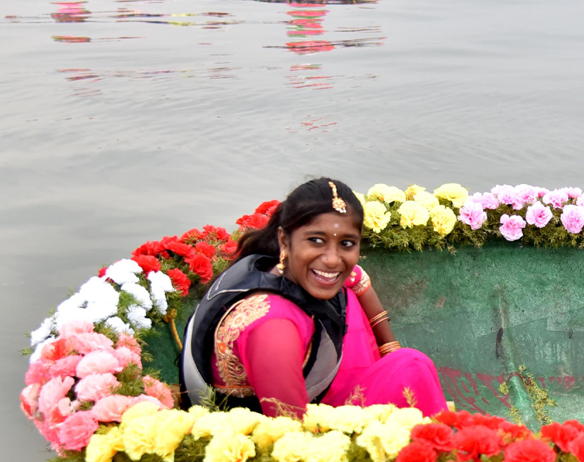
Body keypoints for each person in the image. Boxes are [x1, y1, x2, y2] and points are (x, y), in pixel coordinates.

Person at [180, 177, 446, 417]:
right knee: (412, 369)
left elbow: (353, 278)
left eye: (347, 243)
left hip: (307, 409)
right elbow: (293, 442)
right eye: (316, 241)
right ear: (284, 241)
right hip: (272, 447)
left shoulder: (273, 266)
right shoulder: (273, 328)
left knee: (402, 358)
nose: (332, 260)